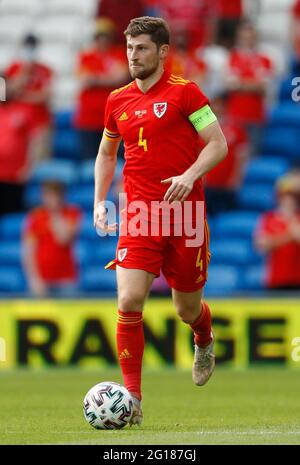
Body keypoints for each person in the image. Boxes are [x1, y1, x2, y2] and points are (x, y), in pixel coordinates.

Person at [94, 16, 228, 425]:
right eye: (129, 48)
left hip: (185, 215)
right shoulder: (116, 100)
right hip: (139, 214)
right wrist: (100, 201)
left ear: (163, 52)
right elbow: (105, 153)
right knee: (129, 300)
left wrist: (189, 175)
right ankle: (131, 399)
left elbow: (218, 145)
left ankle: (203, 337)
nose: (133, 55)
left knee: (186, 308)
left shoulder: (187, 95)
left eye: (142, 48)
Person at [73, 18, 129, 160]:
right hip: (89, 119)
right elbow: (84, 79)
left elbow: (121, 77)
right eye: (100, 36)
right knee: (90, 162)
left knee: (116, 161)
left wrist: (96, 79)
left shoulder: (119, 54)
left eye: (106, 36)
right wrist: (107, 78)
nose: (103, 40)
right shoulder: (86, 56)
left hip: (115, 118)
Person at [22, 181, 82, 297]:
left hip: (66, 279)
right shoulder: (35, 217)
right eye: (48, 195)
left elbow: (63, 239)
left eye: (55, 196)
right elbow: (29, 251)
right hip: (42, 279)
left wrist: (55, 214)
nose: (51, 199)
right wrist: (34, 279)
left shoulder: (72, 213)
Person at [225, 21, 273, 155]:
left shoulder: (264, 59)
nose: (247, 40)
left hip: (256, 116)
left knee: (252, 156)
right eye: (244, 37)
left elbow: (263, 87)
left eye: (250, 37)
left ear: (255, 38)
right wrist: (253, 84)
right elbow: (230, 85)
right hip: (236, 116)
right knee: (234, 155)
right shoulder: (232, 57)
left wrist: (241, 84)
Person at [5, 34, 53, 163]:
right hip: (16, 124)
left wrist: (21, 95)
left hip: (39, 123)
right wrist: (23, 74)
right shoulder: (12, 68)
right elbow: (6, 94)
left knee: (38, 162)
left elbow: (45, 96)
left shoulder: (45, 70)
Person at [204, 93, 249, 215]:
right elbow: (198, 154)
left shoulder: (237, 128)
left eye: (220, 104)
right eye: (214, 105)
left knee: (229, 217)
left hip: (228, 183)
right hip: (209, 182)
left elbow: (242, 156)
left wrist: (236, 178)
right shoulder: (203, 129)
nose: (217, 108)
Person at [254, 173, 300, 291]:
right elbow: (261, 245)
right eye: (286, 196)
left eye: (294, 196)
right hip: (276, 280)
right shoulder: (269, 218)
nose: (290, 200)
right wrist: (290, 235)